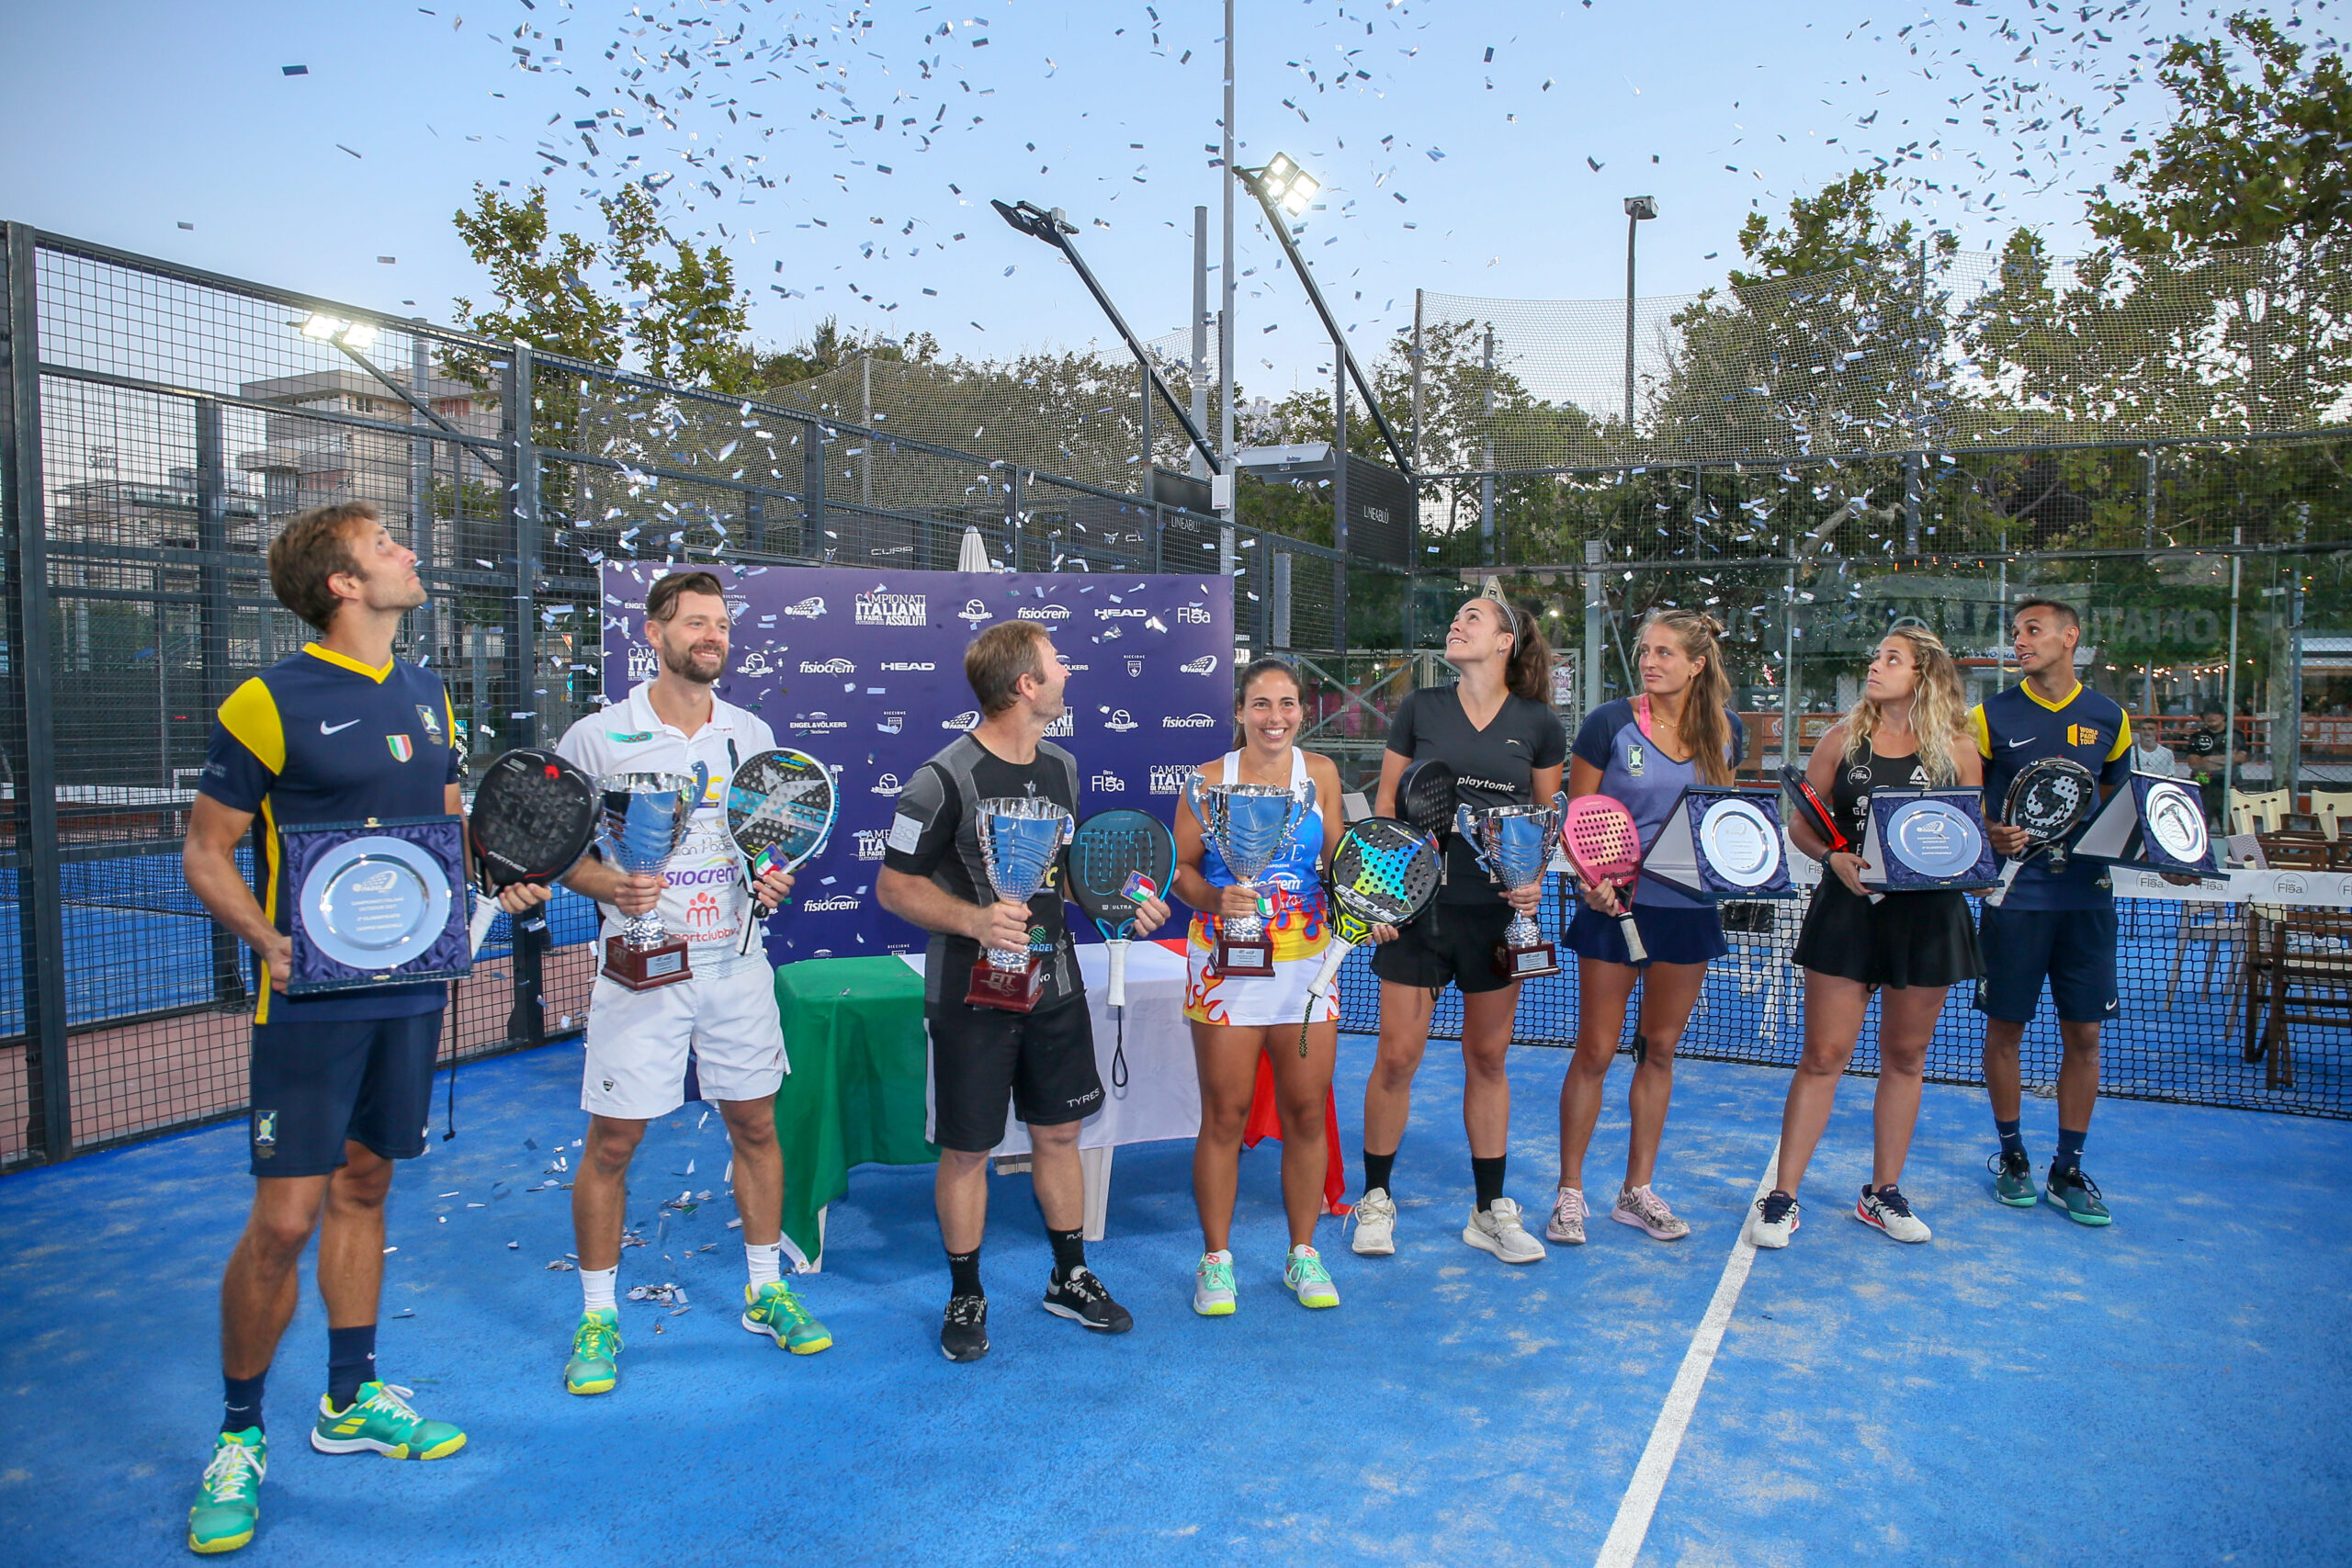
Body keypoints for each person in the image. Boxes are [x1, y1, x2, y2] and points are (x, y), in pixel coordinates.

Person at [180, 502, 554, 1555]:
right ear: (343, 583)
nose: (407, 553)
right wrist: (267, 940)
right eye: (385, 545)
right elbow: (206, 851)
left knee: (366, 1185)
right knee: (283, 1222)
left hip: (410, 990)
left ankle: (349, 1400)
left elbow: (448, 829)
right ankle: (239, 1435)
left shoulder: (429, 692)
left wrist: (500, 878)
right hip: (309, 1001)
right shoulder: (265, 701)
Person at [550, 570, 824, 1399]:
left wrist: (770, 874)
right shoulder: (597, 736)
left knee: (756, 1125)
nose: (713, 637)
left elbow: (763, 839)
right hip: (641, 975)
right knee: (613, 1143)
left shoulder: (751, 731)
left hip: (736, 967)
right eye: (696, 622)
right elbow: (557, 849)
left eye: (722, 625)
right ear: (654, 632)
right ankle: (598, 1315)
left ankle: (765, 1288)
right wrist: (611, 885)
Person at [876, 621, 1172, 1361]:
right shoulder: (941, 778)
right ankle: (965, 1291)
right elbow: (894, 886)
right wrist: (975, 919)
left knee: (1061, 1133)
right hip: (970, 993)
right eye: (1056, 663)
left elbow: (1062, 876)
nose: (1069, 671)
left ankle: (1069, 1275)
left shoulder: (1063, 766)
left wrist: (1124, 899)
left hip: (1056, 985)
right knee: (968, 1149)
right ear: (1025, 685)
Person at [1746, 626, 1984, 1250]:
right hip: (1847, 915)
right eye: (1876, 657)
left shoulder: (1958, 750)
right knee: (1824, 1056)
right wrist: (1832, 857)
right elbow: (1802, 825)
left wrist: (1983, 859)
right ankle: (1782, 1196)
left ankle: (1882, 1193)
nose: (1876, 666)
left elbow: (1968, 836)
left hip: (1928, 921)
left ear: (1923, 673)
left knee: (1906, 1057)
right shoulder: (1841, 740)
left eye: (1891, 659)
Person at [1353, 597, 1565, 1265]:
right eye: (1457, 616)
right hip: (1417, 912)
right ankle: (1376, 1199)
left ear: (1505, 640)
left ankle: (1488, 1210)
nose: (1457, 622)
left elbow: (1542, 820)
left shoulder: (1539, 722)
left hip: (1495, 916)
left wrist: (1532, 878)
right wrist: (1384, 897)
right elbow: (1387, 804)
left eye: (1474, 617)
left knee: (1488, 1059)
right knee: (1396, 1057)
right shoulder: (1421, 707)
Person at [1553, 610, 1746, 1247]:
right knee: (1596, 1050)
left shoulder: (1727, 730)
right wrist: (1592, 880)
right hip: (1614, 908)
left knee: (1659, 1049)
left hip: (1687, 910)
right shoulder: (1608, 723)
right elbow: (1577, 817)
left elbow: (1721, 817)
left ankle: (1637, 1191)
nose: (1650, 661)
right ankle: (1570, 1192)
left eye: (1665, 652)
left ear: (1697, 664)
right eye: (1645, 651)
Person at [1172, 658, 1348, 1314]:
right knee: (1224, 1114)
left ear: (1303, 710)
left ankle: (1303, 1253)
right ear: (1240, 711)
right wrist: (1216, 898)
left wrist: (1366, 906)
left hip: (1307, 966)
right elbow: (1181, 871)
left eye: (1288, 703)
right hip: (1224, 965)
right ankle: (1216, 1261)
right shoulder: (1205, 780)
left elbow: (1336, 864)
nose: (1276, 717)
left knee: (1307, 1112)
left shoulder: (1321, 774)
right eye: (1262, 704)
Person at [1973, 600, 2134, 1225]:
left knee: (2085, 1036)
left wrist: (2165, 852)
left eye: (2033, 631)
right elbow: (1966, 799)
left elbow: (2121, 801)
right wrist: (1991, 831)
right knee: (2005, 1031)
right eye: (2016, 633)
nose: (2020, 641)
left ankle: (2067, 1169)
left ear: (2071, 636)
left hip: (2088, 899)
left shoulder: (2109, 718)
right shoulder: (1988, 716)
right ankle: (2013, 1156)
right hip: (2016, 898)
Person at [2180, 703, 2247, 829]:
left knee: (2234, 827)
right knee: (2200, 826)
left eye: (2215, 713)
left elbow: (2240, 759)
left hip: (2230, 783)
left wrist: (2208, 759)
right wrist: (2228, 760)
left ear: (2223, 716)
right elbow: (2194, 764)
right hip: (2203, 783)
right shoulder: (2197, 737)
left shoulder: (2236, 735)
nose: (2211, 717)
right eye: (2207, 714)